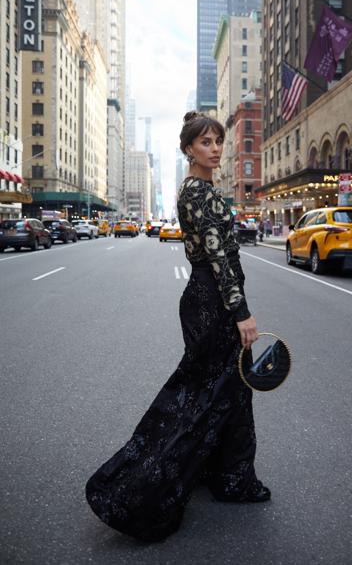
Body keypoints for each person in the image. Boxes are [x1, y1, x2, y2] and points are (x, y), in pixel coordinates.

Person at [85, 111, 269, 543]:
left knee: (224, 388)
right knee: (209, 394)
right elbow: (220, 257)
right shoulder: (199, 192)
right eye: (206, 142)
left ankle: (224, 473)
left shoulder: (198, 189)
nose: (216, 148)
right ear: (189, 149)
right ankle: (149, 486)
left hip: (208, 298)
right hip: (215, 301)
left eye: (219, 141)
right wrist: (241, 312)